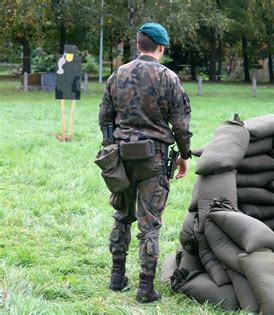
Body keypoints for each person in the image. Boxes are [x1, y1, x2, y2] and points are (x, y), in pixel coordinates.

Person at [98, 22, 192, 303]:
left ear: (139, 45)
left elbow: (105, 119)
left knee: (122, 216)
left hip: (123, 156)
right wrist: (185, 155)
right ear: (161, 47)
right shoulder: (168, 78)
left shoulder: (118, 75)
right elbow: (181, 124)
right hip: (154, 158)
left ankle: (117, 277)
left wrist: (111, 148)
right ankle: (145, 288)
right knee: (149, 226)